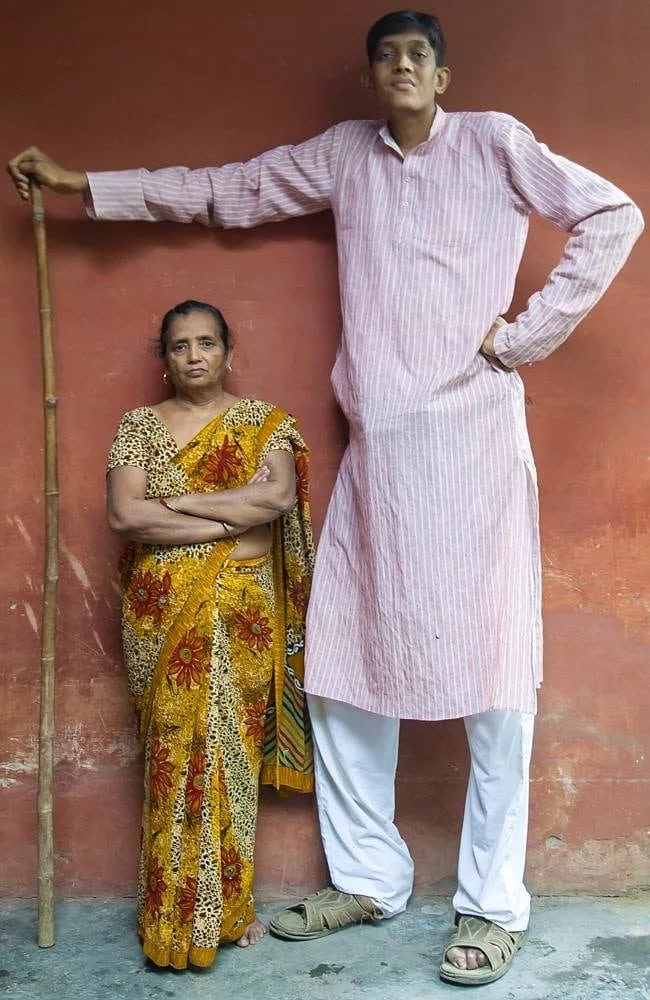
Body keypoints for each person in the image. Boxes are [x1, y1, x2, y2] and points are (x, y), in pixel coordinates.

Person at [8, 9, 643, 986]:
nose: (402, 67)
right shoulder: (344, 155)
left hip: (472, 455)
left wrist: (523, 337)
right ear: (369, 77)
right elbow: (223, 191)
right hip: (377, 464)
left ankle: (492, 904)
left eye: (418, 54)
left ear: (442, 74)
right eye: (386, 55)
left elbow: (613, 214)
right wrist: (83, 184)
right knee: (342, 672)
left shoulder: (495, 142)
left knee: (494, 683)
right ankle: (370, 878)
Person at [104, 299, 314, 969]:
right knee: (173, 755)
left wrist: (174, 505)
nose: (193, 355)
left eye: (206, 342)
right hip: (163, 613)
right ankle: (168, 917)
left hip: (245, 612)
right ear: (164, 360)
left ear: (228, 351)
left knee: (232, 759)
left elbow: (275, 499)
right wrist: (230, 519)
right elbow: (125, 515)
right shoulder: (138, 426)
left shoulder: (265, 423)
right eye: (179, 345)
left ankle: (230, 908)